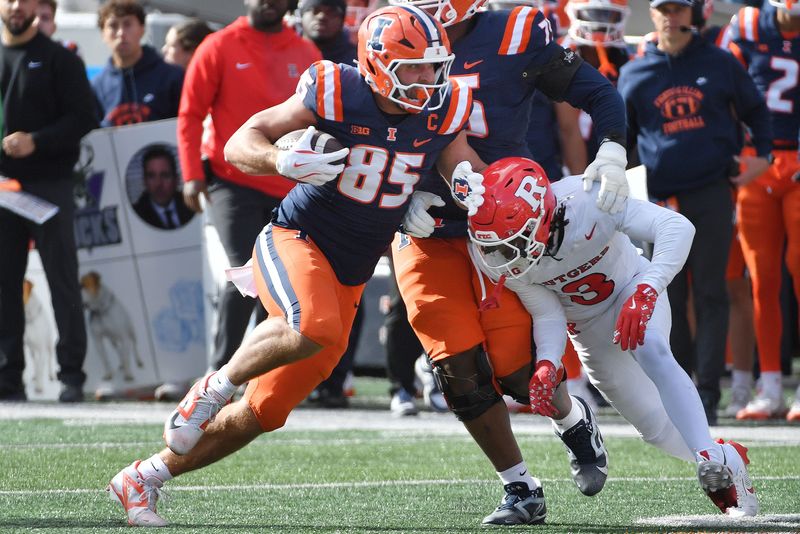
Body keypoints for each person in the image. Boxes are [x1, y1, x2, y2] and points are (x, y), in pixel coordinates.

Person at [107, 6, 487, 527]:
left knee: (265, 411)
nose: (428, 79)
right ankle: (211, 388)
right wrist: (280, 161)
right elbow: (242, 141)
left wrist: (465, 190)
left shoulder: (444, 107)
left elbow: (460, 163)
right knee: (311, 324)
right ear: (378, 65)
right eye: (414, 67)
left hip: (350, 272)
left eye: (432, 66)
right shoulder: (336, 89)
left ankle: (141, 479)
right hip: (297, 237)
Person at [388, 0, 630, 524]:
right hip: (423, 229)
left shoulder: (514, 34)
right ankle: (520, 487)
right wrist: (394, 194)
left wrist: (610, 148)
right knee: (457, 370)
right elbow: (356, 130)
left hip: (504, 232)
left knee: (518, 370)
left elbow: (597, 91)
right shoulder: (389, 36)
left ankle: (572, 421)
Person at [468, 156, 759, 517]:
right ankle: (726, 457)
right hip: (586, 329)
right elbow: (547, 311)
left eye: (514, 241)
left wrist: (649, 288)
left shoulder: (587, 200)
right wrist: (547, 361)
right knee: (655, 429)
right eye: (498, 245)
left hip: (630, 289)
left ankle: (706, 456)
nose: (504, 255)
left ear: (541, 216)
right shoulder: (501, 254)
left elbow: (676, 227)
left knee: (652, 348)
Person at [617, 0, 772, 426]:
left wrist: (761, 156)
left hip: (710, 191)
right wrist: (623, 185)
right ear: (652, 15)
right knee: (667, 295)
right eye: (664, 9)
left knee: (711, 291)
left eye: (679, 9)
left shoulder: (720, 62)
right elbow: (621, 137)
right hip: (658, 200)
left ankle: (706, 392)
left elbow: (758, 111)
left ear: (693, 14)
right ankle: (677, 385)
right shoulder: (635, 71)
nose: (672, 17)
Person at [178, 0, 321, 373]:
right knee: (245, 272)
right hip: (232, 179)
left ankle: (260, 371)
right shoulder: (219, 45)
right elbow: (191, 112)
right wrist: (191, 174)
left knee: (281, 284)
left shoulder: (306, 52)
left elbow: (324, 118)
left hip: (291, 186)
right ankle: (220, 372)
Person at [0, 0, 98, 402]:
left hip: (50, 187)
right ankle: (8, 378)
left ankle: (71, 375)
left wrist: (36, 141)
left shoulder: (61, 59)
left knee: (62, 280)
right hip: (4, 190)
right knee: (5, 283)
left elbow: (85, 117)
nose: (18, 6)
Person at [726, 1, 800, 422]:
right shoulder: (748, 26)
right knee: (762, 277)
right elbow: (727, 91)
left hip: (796, 161)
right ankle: (769, 383)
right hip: (757, 163)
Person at [92, 0, 184, 127]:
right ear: (103, 33)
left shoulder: (173, 77)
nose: (121, 33)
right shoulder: (97, 87)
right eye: (113, 25)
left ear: (142, 29)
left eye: (127, 24)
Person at [132, 145, 194, 229]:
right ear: (144, 181)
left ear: (176, 180)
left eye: (165, 175)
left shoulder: (192, 207)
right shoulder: (136, 215)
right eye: (151, 176)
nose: (158, 184)